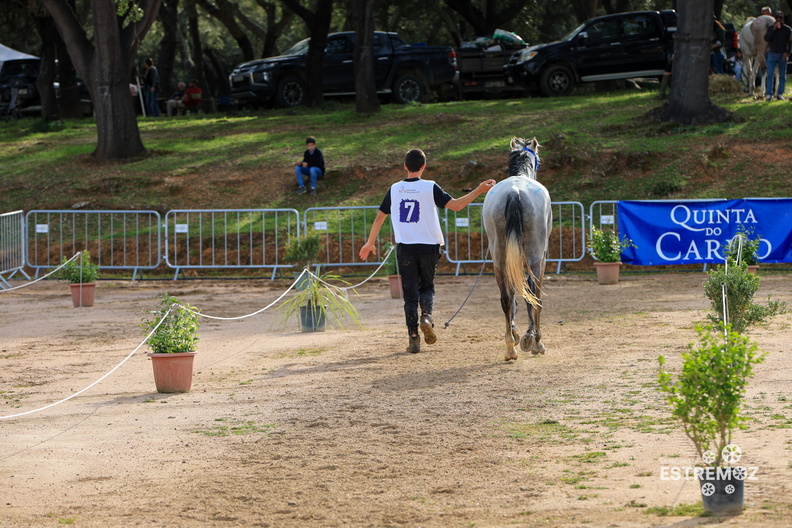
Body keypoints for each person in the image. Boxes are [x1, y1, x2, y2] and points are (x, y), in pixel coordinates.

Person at [358, 148, 496, 354]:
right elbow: (456, 206)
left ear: (405, 166)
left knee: (410, 295)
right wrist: (478, 190)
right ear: (423, 166)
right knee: (427, 287)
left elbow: (379, 218)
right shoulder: (430, 187)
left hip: (405, 247)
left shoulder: (394, 189)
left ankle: (413, 337)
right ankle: (427, 317)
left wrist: (369, 243)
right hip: (429, 247)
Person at [763, 11, 792, 101]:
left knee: (782, 75)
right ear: (775, 18)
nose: (779, 19)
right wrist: (774, 29)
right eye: (777, 17)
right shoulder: (771, 28)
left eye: (780, 17)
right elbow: (767, 38)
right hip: (772, 54)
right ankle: (769, 94)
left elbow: (790, 42)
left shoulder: (787, 29)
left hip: (782, 54)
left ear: (783, 19)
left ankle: (780, 94)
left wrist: (787, 52)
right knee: (770, 75)